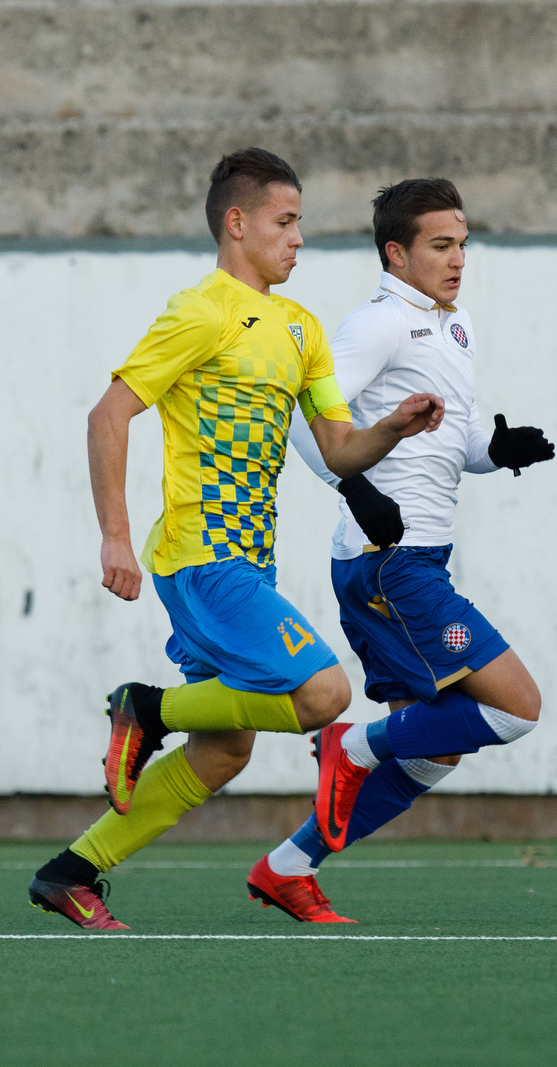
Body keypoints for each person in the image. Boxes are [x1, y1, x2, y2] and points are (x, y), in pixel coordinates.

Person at [27, 149, 445, 930]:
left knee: (224, 752)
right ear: (237, 222)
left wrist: (391, 427)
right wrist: (114, 536)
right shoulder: (202, 311)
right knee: (325, 693)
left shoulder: (302, 329)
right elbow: (108, 415)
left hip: (243, 563)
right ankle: (147, 708)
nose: (297, 240)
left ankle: (68, 871)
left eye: (301, 225)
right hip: (201, 557)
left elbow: (336, 445)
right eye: (285, 223)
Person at [245, 178, 554, 922]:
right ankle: (350, 745)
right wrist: (355, 491)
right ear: (397, 252)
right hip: (392, 563)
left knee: (432, 751)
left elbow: (451, 435)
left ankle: (287, 865)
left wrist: (494, 448)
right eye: (441, 246)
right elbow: (304, 420)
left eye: (463, 245)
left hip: (413, 563)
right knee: (516, 708)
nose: (457, 260)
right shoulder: (378, 325)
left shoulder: (453, 324)